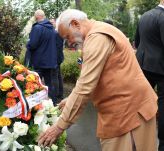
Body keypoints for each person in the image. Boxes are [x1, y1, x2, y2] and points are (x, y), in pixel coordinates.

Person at [38, 9, 158, 151]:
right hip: (125, 111)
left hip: (129, 114)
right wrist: (70, 99)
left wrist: (59, 126)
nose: (69, 42)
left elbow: (85, 86)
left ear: (75, 24)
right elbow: (91, 79)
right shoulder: (97, 32)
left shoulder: (97, 37)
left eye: (67, 36)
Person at [134, 1, 164, 150]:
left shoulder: (144, 15)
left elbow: (137, 41)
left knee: (141, 102)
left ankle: (135, 138)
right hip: (161, 68)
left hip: (143, 65)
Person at [26, 10, 58, 104]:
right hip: (50, 61)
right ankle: (53, 105)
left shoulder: (37, 28)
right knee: (49, 85)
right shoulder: (52, 28)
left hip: (39, 62)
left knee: (35, 85)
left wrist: (28, 44)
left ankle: (35, 107)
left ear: (36, 17)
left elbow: (33, 45)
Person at [50, 18, 65, 102]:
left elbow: (59, 48)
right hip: (57, 58)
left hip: (56, 58)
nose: (51, 24)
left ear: (55, 23)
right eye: (50, 22)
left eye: (52, 22)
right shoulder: (54, 33)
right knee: (58, 76)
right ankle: (60, 94)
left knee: (55, 76)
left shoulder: (57, 33)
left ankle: (57, 95)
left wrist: (55, 59)